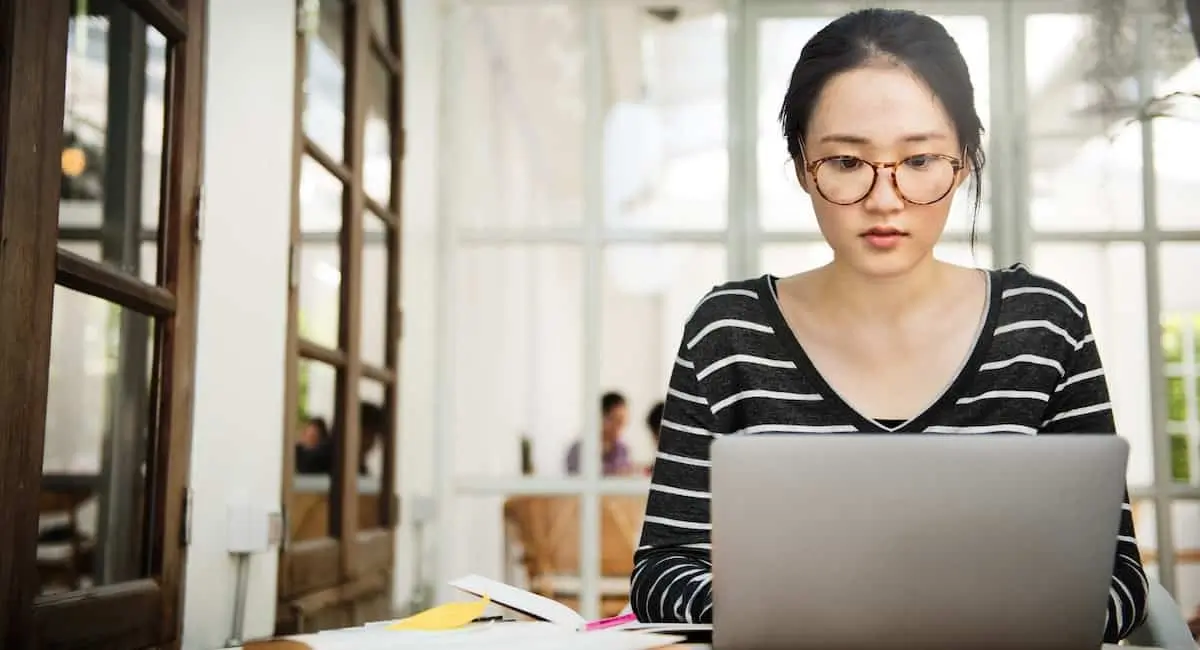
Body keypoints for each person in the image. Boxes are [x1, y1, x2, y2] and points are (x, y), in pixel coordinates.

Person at [630, 8, 1148, 643]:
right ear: (802, 167)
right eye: (847, 163)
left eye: (920, 159)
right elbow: (662, 572)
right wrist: (836, 609)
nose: (884, 198)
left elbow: (1118, 580)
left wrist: (914, 608)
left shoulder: (1044, 325)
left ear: (962, 162)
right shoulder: (728, 332)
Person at [566, 392, 634, 476]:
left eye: (623, 420)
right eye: (616, 420)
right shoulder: (579, 449)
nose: (621, 426)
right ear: (601, 417)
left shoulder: (622, 449)